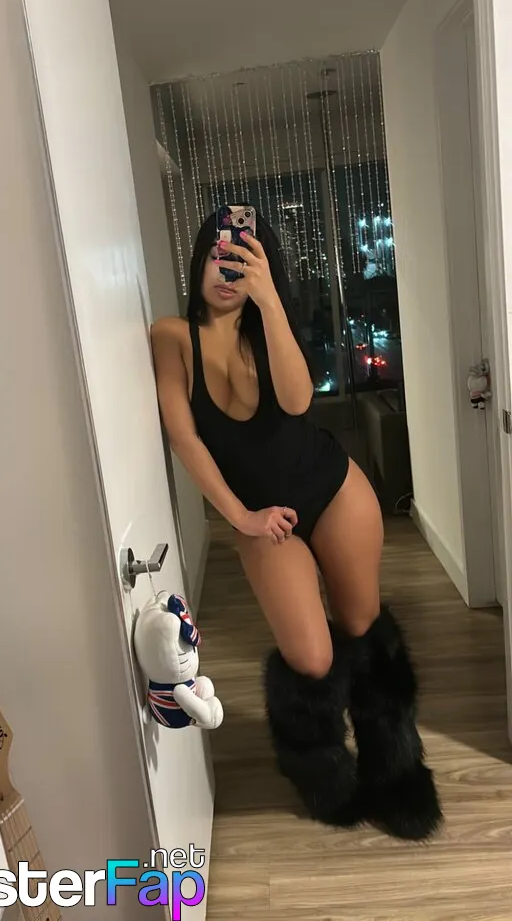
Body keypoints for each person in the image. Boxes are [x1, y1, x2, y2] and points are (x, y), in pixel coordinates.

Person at [150, 210, 442, 841]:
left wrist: (269, 302)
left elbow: (298, 401)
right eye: (218, 257)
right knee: (311, 656)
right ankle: (326, 781)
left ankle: (397, 771)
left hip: (333, 489)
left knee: (363, 628)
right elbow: (184, 436)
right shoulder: (172, 336)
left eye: (243, 261)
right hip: (261, 518)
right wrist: (241, 516)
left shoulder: (268, 328)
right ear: (197, 262)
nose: (227, 273)